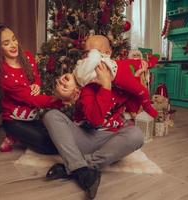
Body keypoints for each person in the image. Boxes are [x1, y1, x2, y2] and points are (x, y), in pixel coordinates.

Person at [42, 36, 145, 199]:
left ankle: (76, 166)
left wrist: (140, 80)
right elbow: (95, 119)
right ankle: (82, 170)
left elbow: (134, 109)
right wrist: (105, 87)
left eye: (94, 55)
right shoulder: (85, 85)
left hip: (111, 140)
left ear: (107, 54)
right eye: (86, 55)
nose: (88, 60)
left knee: (137, 135)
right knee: (51, 116)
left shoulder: (122, 81)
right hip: (85, 136)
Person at [0, 22, 64, 154]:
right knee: (52, 147)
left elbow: (35, 75)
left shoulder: (27, 56)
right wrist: (61, 99)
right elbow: (32, 100)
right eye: (6, 43)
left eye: (14, 39)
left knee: (59, 138)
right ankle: (13, 135)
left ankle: (15, 138)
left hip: (33, 117)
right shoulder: (4, 74)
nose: (14, 45)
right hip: (15, 122)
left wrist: (37, 84)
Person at [73, 35, 158, 118]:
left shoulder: (106, 60)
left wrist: (137, 75)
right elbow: (81, 76)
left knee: (138, 62)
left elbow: (133, 106)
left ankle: (151, 62)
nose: (89, 55)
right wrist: (93, 54)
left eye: (95, 51)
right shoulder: (89, 68)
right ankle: (148, 107)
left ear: (108, 53)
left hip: (119, 66)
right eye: (87, 52)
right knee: (142, 91)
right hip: (121, 78)